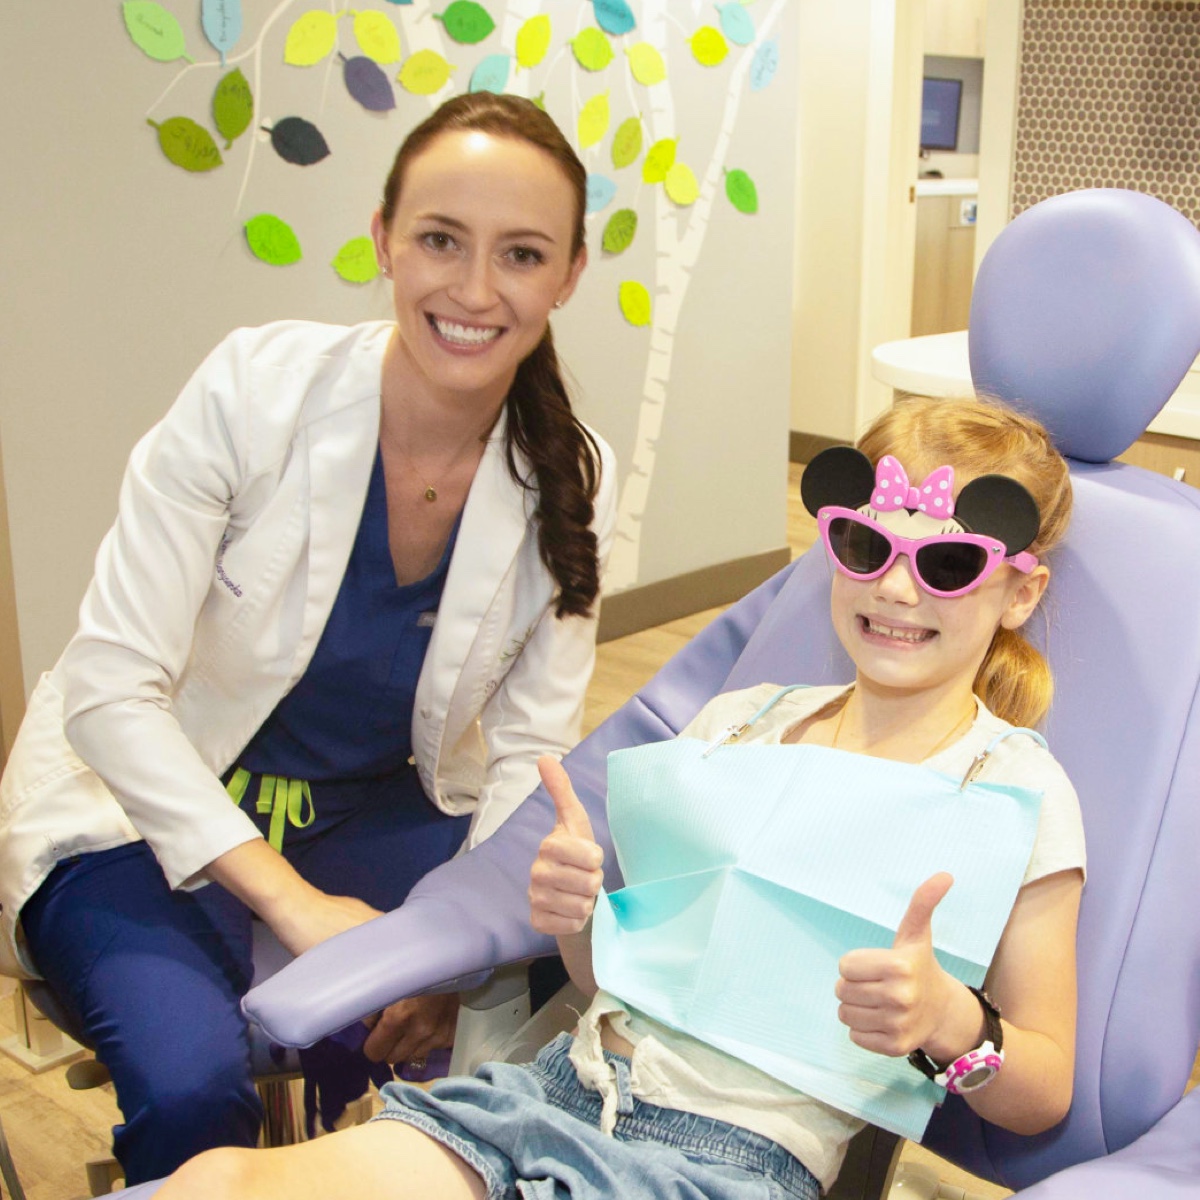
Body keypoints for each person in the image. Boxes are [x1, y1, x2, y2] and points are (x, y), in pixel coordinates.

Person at [156, 395, 1086, 1200]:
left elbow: (1044, 1091)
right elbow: (620, 984)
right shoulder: (738, 725)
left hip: (725, 1163)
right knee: (209, 1181)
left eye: (949, 565)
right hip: (549, 1092)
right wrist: (575, 919)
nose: (895, 586)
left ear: (1017, 591)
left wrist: (950, 1024)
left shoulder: (1008, 789)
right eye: (865, 544)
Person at [0, 92, 616, 1184]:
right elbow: (109, 690)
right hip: (143, 810)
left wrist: (448, 948)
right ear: (382, 238)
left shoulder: (572, 470)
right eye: (439, 240)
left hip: (369, 806)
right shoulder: (253, 392)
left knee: (497, 1001)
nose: (474, 291)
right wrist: (299, 908)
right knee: (199, 1085)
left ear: (568, 275)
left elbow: (530, 749)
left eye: (521, 254)